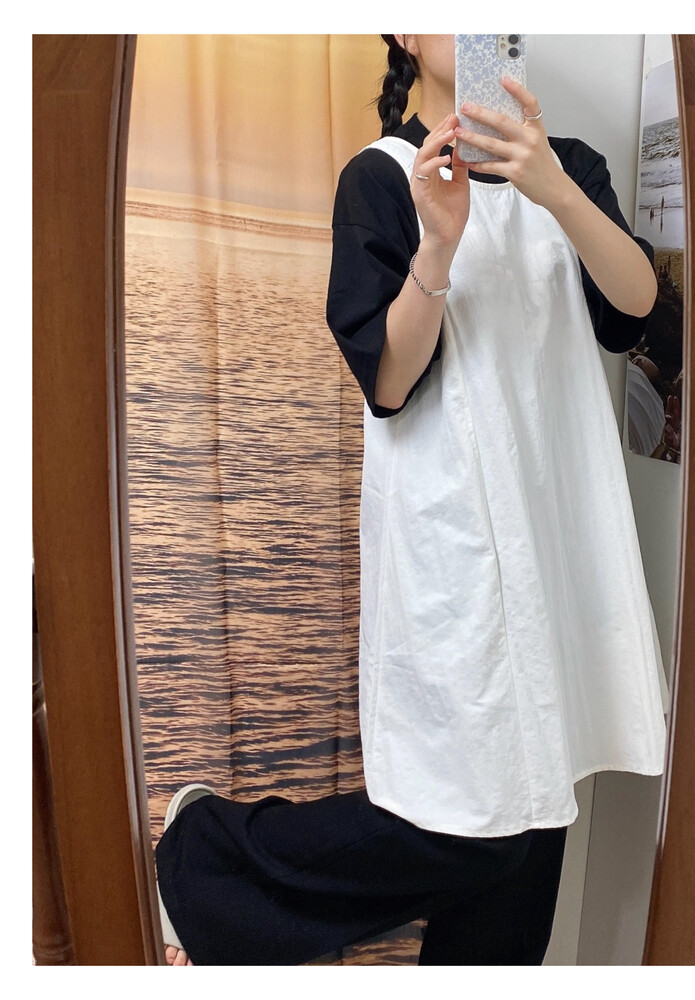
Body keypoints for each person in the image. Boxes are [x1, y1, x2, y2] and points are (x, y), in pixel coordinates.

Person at [155, 33, 667, 967]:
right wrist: (439, 241)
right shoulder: (382, 178)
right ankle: (209, 855)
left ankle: (216, 866)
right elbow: (388, 382)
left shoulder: (571, 165)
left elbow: (632, 309)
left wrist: (554, 189)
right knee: (477, 823)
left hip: (559, 530)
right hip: (453, 541)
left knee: (537, 815)